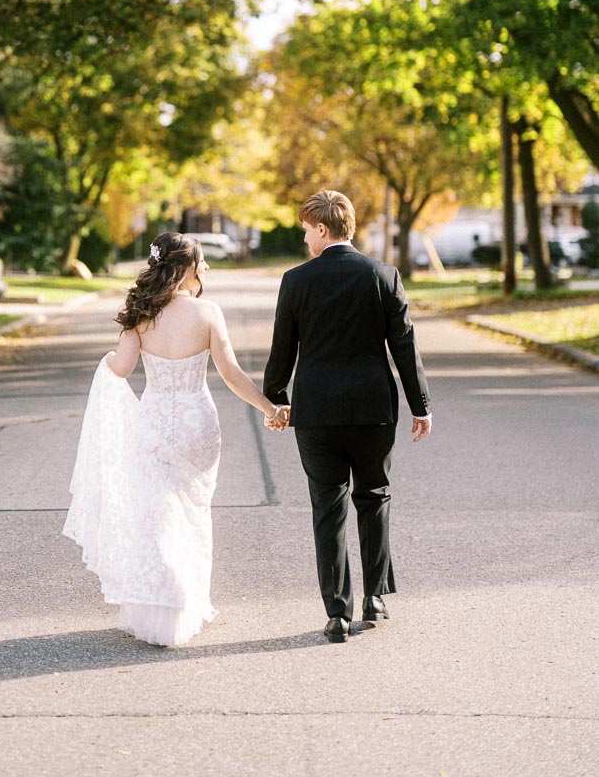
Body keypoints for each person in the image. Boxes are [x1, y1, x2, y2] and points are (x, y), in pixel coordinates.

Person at [64, 230, 289, 648]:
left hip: (153, 424)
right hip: (196, 424)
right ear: (185, 267)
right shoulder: (208, 313)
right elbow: (232, 375)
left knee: (157, 517)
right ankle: (186, 604)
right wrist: (269, 408)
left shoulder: (140, 312)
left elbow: (121, 368)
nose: (205, 269)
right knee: (192, 514)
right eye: (201, 262)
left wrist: (109, 357)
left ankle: (160, 609)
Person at [263, 189, 432, 643]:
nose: (304, 239)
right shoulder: (383, 275)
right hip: (373, 410)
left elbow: (283, 350)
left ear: (322, 228)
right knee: (374, 496)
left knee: (327, 506)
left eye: (305, 230)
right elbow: (405, 347)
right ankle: (375, 597)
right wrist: (421, 406)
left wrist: (276, 398)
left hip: (316, 413)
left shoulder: (296, 281)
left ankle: (336, 612)